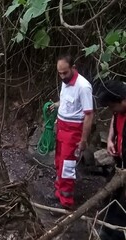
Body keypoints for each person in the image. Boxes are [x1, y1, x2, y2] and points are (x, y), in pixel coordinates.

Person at [49, 54, 94, 209]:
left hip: (73, 131)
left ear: (73, 68)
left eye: (65, 73)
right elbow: (67, 101)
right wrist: (56, 107)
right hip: (62, 126)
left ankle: (66, 201)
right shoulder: (65, 82)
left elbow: (89, 114)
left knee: (67, 166)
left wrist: (83, 140)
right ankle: (58, 192)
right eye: (59, 73)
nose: (62, 76)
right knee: (58, 161)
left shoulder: (83, 87)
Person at [97, 79, 126, 240]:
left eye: (112, 106)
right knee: (112, 198)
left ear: (122, 100)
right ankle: (107, 229)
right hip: (120, 163)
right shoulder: (120, 108)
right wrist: (110, 139)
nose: (111, 110)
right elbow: (115, 118)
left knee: (123, 207)